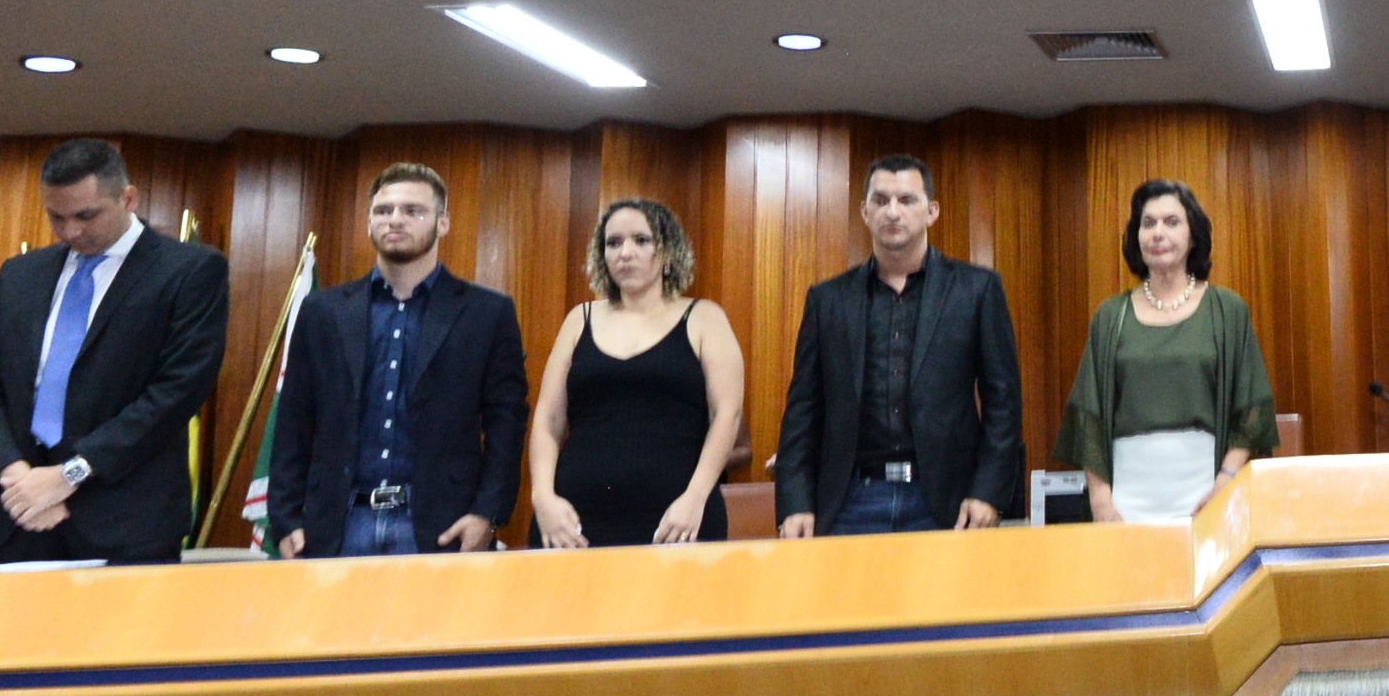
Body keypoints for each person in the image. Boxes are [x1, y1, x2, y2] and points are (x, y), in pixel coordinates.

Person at [0, 136, 231, 566]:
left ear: (127, 198)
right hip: (16, 514)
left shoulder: (189, 271)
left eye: (86, 215)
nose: (71, 231)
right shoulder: (20, 275)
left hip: (125, 522)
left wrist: (69, 475)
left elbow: (176, 393)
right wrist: (15, 476)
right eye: (56, 217)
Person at [266, 162, 529, 559]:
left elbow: (506, 423)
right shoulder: (323, 312)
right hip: (339, 523)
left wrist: (487, 515)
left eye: (412, 211)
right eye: (383, 210)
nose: (395, 219)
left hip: (442, 527)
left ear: (443, 223)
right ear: (369, 222)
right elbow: (294, 420)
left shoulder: (487, 313)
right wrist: (285, 517)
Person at [774, 154, 1024, 537]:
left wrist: (988, 493)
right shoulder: (828, 300)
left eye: (907, 200)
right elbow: (802, 409)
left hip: (947, 501)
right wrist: (795, 502)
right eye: (881, 200)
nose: (892, 212)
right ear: (864, 211)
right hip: (850, 499)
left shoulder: (976, 290)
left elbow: (1003, 403)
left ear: (931, 211)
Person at [531, 197, 749, 546]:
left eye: (641, 240)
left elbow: (727, 414)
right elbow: (548, 419)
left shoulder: (705, 318)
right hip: (573, 519)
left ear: (668, 252)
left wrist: (696, 498)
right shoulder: (579, 319)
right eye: (613, 243)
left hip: (678, 517)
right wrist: (543, 498)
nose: (625, 253)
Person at [1058, 178, 1276, 522]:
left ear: (1194, 236)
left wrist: (1226, 481)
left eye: (1171, 222)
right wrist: (1100, 499)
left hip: (1207, 496)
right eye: (1148, 223)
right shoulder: (1111, 316)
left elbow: (1251, 411)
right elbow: (1088, 419)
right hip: (1125, 503)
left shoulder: (1227, 311)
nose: (1157, 233)